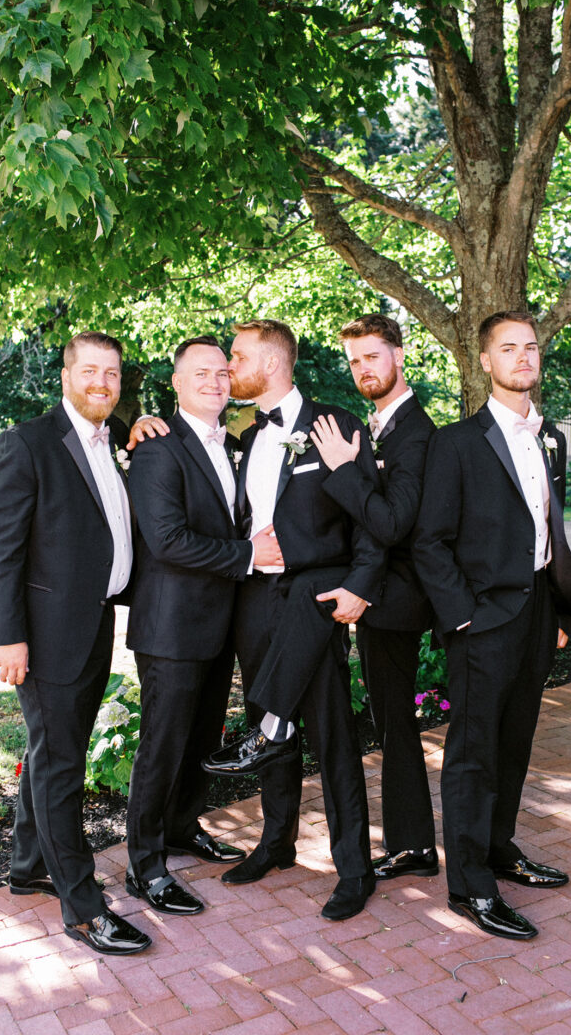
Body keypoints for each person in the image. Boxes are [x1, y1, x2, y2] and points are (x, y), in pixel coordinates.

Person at [413, 311, 571, 941]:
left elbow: (546, 531)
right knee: (472, 754)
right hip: (482, 620)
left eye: (531, 347)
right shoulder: (455, 443)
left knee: (515, 744)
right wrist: (463, 615)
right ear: (485, 362)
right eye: (509, 349)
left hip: (537, 613)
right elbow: (430, 542)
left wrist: (558, 611)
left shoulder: (548, 439)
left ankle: (498, 847)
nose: (524, 357)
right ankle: (469, 887)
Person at [201, 318, 387, 921]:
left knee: (333, 736)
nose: (229, 367)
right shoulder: (243, 435)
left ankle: (354, 869)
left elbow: (370, 519)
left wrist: (360, 585)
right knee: (266, 730)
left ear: (274, 363)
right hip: (255, 600)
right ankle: (276, 842)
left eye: (237, 356)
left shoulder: (334, 425)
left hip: (315, 600)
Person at [0, 331, 151, 955]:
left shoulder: (116, 438)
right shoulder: (27, 443)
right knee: (61, 768)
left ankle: (28, 868)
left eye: (111, 372)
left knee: (56, 751)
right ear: (66, 374)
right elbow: (0, 550)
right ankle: (83, 908)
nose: (101, 382)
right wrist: (9, 639)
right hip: (44, 639)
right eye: (89, 371)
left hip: (94, 625)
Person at [124, 337, 262, 918]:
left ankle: (183, 827)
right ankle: (144, 866)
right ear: (176, 383)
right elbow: (167, 540)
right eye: (200, 372)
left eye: (223, 372)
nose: (215, 380)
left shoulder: (231, 445)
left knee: (201, 740)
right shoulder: (158, 448)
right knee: (162, 745)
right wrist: (249, 555)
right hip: (171, 629)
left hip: (216, 627)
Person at [310, 313, 439, 881]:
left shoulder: (415, 432)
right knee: (391, 721)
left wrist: (342, 470)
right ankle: (410, 841)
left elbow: (390, 523)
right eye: (355, 360)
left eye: (373, 356)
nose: (363, 368)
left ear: (399, 356)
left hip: (400, 599)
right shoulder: (381, 425)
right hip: (383, 594)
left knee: (394, 722)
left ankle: (413, 846)